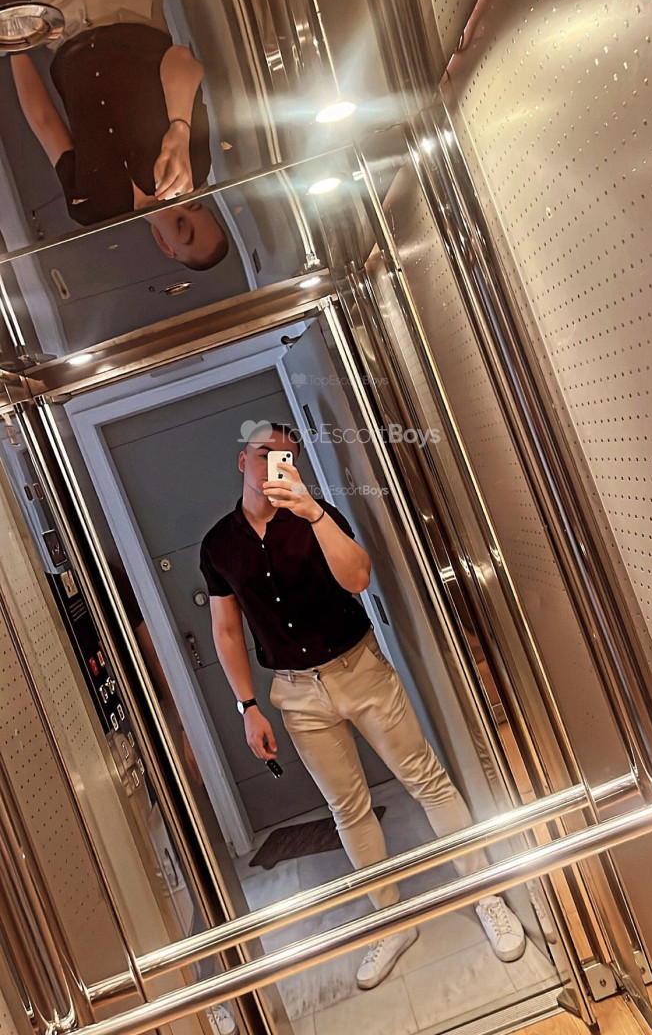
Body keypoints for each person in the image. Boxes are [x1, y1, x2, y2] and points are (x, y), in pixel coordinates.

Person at [200, 422, 527, 991]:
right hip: (296, 693)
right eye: (262, 453)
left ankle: (485, 894)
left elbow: (357, 577)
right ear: (241, 461)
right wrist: (246, 705)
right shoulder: (217, 546)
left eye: (285, 456)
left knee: (426, 779)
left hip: (360, 669)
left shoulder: (317, 515)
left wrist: (313, 514)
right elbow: (226, 630)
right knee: (347, 809)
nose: (273, 463)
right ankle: (391, 922)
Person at [4, 0, 229, 270]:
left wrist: (15, 41)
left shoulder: (92, 208)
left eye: (181, 227)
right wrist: (179, 130)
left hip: (64, 29)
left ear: (165, 246)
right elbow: (180, 60)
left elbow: (46, 123)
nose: (181, 205)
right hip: (132, 6)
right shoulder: (195, 163)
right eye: (197, 207)